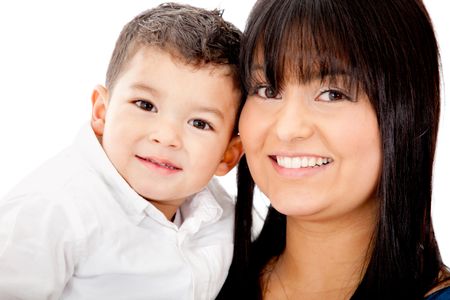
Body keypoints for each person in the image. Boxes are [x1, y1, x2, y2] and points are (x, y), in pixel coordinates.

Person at [0, 3, 243, 299]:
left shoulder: (223, 214)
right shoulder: (50, 211)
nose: (166, 137)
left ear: (228, 155)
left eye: (199, 123)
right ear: (102, 112)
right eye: (145, 105)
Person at [217, 0, 450, 299]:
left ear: (406, 111)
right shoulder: (194, 279)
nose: (287, 129)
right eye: (268, 89)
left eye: (332, 94)